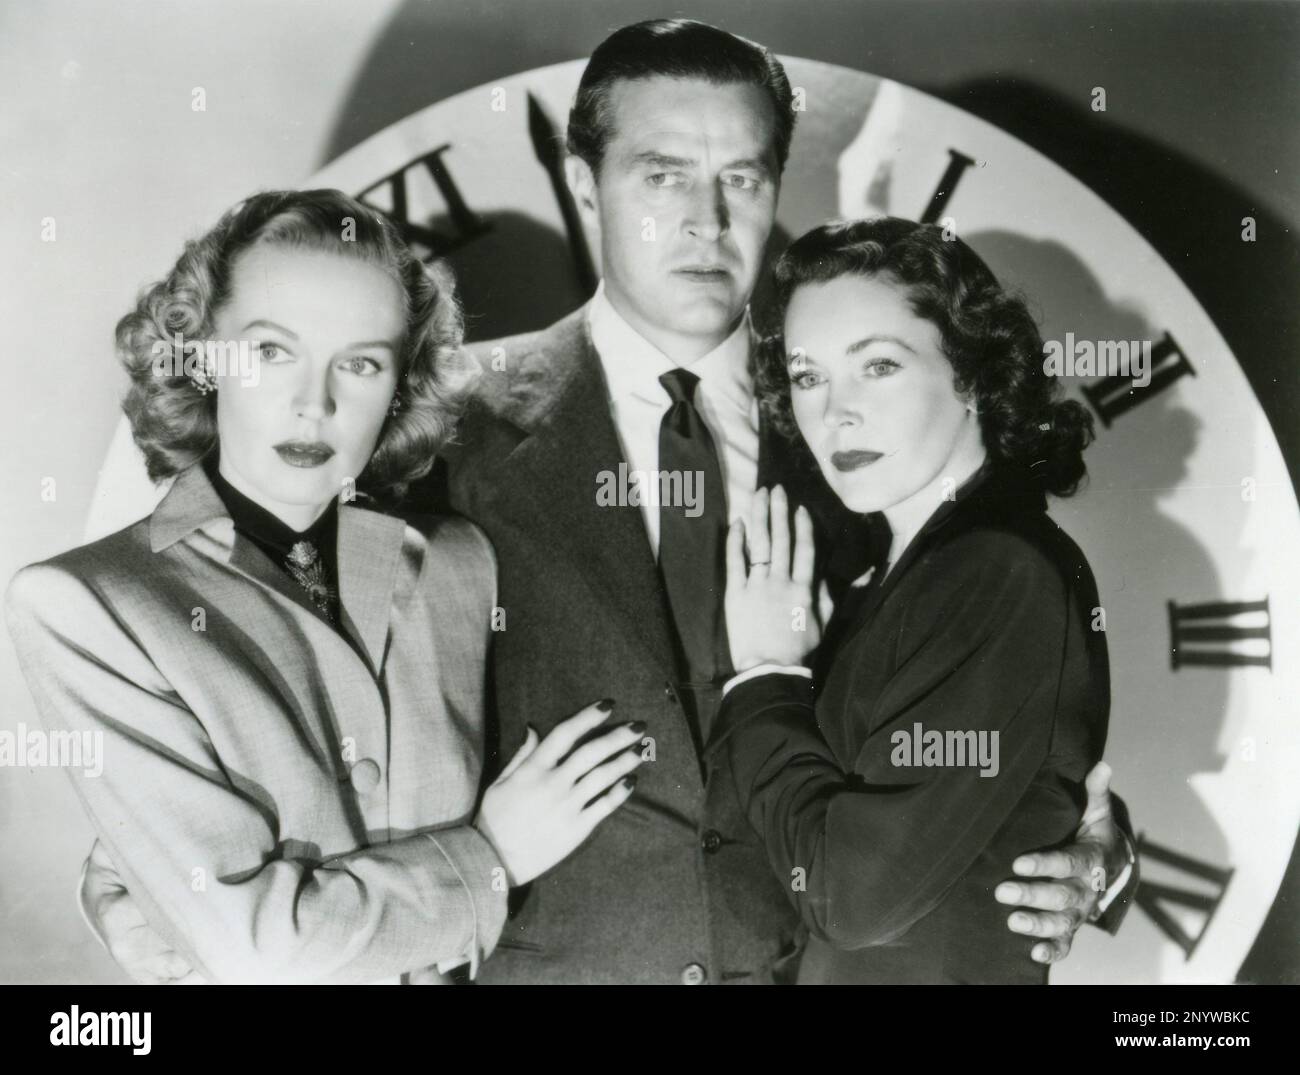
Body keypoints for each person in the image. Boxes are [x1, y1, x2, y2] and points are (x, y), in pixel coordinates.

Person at [81, 19, 1134, 985]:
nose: (706, 221)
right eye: (661, 176)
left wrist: (1093, 846)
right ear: (584, 187)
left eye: (743, 178)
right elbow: (254, 657)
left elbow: (960, 706)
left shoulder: (865, 430)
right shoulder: (430, 423)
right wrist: (133, 875)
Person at [5, 189, 643, 984]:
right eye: (272, 352)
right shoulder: (88, 604)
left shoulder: (459, 564)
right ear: (204, 356)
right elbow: (256, 950)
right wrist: (491, 856)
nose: (316, 402)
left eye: (362, 362)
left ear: (400, 387)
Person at [716, 217, 1115, 983]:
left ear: (972, 375)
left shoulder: (995, 569)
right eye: (808, 376)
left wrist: (767, 673)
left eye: (879, 367)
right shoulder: (887, 575)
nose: (836, 412)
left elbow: (852, 898)